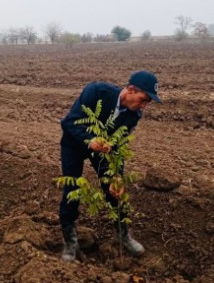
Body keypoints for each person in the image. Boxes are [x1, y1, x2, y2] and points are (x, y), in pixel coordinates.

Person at [59, 70, 161, 261]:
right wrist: (89, 141)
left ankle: (123, 235)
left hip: (104, 151)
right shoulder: (96, 92)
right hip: (74, 143)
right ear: (130, 90)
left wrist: (117, 176)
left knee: (115, 190)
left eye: (148, 102)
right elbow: (69, 123)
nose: (144, 106)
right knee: (73, 188)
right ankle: (70, 242)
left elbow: (119, 147)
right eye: (143, 99)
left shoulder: (134, 115)